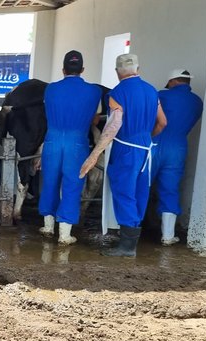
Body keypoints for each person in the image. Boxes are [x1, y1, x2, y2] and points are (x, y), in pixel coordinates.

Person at [80, 53, 167, 257]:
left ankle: (127, 247)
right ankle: (131, 242)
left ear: (117, 72)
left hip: (125, 149)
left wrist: (94, 154)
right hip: (146, 150)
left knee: (124, 192)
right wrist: (146, 137)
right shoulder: (151, 91)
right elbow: (163, 123)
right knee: (139, 193)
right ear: (138, 69)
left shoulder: (117, 93)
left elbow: (113, 126)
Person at [39, 50, 102, 245]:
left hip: (52, 140)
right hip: (77, 141)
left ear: (63, 69)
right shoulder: (94, 91)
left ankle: (48, 227)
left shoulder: (50, 89)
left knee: (49, 181)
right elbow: (96, 117)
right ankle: (64, 234)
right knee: (72, 185)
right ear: (82, 69)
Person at [150, 68, 203, 246]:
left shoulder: (162, 96)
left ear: (173, 81)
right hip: (178, 147)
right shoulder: (197, 102)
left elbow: (150, 118)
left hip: (155, 143)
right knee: (170, 189)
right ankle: (167, 235)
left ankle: (130, 231)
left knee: (141, 186)